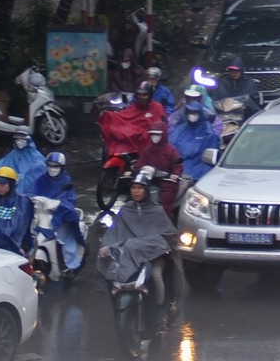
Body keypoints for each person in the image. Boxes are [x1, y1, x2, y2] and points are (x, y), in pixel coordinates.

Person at [96, 167, 179, 313]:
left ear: (146, 190)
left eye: (139, 188)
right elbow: (115, 231)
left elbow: (168, 234)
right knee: (109, 265)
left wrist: (152, 245)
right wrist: (107, 246)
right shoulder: (126, 210)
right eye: (133, 188)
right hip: (128, 254)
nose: (136, 191)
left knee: (156, 275)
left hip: (153, 255)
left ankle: (162, 308)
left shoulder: (157, 210)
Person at [29, 151, 86, 273]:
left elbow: (69, 202)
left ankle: (71, 265)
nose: (52, 169)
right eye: (50, 165)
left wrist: (57, 204)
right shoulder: (41, 180)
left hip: (61, 216)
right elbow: (32, 193)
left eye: (56, 166)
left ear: (62, 167)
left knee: (67, 239)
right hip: (42, 215)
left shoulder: (66, 181)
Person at [170, 89, 221, 180]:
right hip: (181, 170)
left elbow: (211, 148)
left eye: (195, 112)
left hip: (200, 170)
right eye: (190, 112)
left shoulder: (207, 129)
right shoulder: (180, 127)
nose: (192, 115)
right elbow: (172, 142)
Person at [138, 125, 184, 216]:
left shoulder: (171, 150)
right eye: (152, 134)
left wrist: (175, 174)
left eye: (157, 134)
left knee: (166, 201)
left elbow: (178, 166)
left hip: (167, 181)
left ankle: (166, 222)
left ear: (163, 135)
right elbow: (140, 164)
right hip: (149, 180)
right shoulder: (147, 150)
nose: (154, 137)